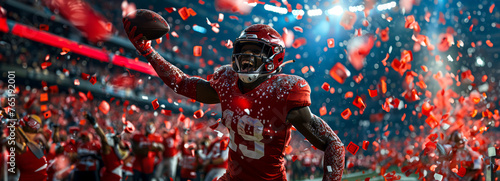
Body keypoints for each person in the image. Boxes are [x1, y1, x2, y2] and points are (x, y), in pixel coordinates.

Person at [123, 19, 345, 180]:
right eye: (243, 51)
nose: (246, 58)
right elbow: (182, 84)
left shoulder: (285, 90)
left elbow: (333, 145)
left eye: (254, 52)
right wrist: (148, 51)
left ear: (274, 57)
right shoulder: (227, 81)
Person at [85, 113, 130, 181]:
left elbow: (124, 152)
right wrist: (95, 124)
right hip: (113, 176)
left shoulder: (114, 148)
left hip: (115, 174)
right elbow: (103, 137)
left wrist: (118, 142)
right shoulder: (107, 149)